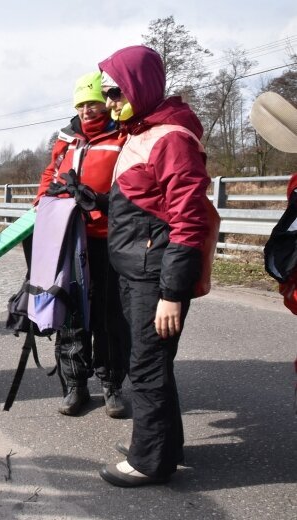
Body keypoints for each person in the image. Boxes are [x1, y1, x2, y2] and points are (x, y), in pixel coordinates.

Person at [95, 46, 213, 487]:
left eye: (115, 91)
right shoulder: (140, 132)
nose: (109, 102)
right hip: (137, 268)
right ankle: (164, 445)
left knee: (146, 365)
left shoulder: (171, 137)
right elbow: (144, 202)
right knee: (150, 362)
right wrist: (97, 202)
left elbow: (189, 219)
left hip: (155, 274)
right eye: (107, 93)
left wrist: (172, 293)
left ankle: (150, 462)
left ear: (139, 87)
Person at [34, 72, 130, 418]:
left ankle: (112, 384)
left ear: (105, 102)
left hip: (107, 238)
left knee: (109, 314)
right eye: (81, 104)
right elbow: (50, 174)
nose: (87, 110)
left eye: (92, 102)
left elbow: (131, 182)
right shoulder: (66, 138)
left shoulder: (121, 135)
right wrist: (42, 203)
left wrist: (100, 200)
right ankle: (75, 384)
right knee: (71, 312)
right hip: (70, 237)